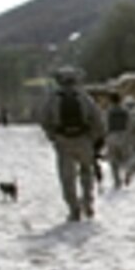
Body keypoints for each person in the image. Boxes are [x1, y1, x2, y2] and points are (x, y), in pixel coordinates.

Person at [38, 66, 106, 222]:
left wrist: (53, 136)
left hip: (63, 141)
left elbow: (44, 119)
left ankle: (74, 209)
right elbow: (98, 119)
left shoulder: (52, 98)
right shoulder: (84, 97)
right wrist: (93, 138)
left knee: (67, 178)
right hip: (83, 140)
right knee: (86, 173)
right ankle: (88, 203)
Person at [103, 93, 131, 188]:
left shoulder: (108, 111)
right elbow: (129, 123)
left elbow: (105, 125)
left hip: (112, 135)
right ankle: (127, 172)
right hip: (123, 135)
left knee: (113, 160)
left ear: (111, 100)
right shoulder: (125, 110)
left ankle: (117, 181)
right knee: (126, 157)